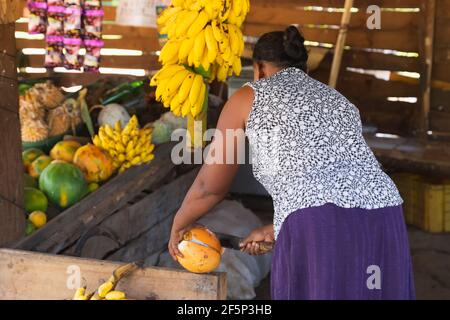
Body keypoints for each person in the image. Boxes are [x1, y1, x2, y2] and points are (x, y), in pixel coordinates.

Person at [168, 26, 415, 300]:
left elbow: (209, 187)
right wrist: (280, 226)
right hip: (384, 212)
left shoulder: (248, 97)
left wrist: (179, 223)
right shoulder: (337, 99)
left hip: (319, 222)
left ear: (259, 68)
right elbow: (337, 178)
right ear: (303, 69)